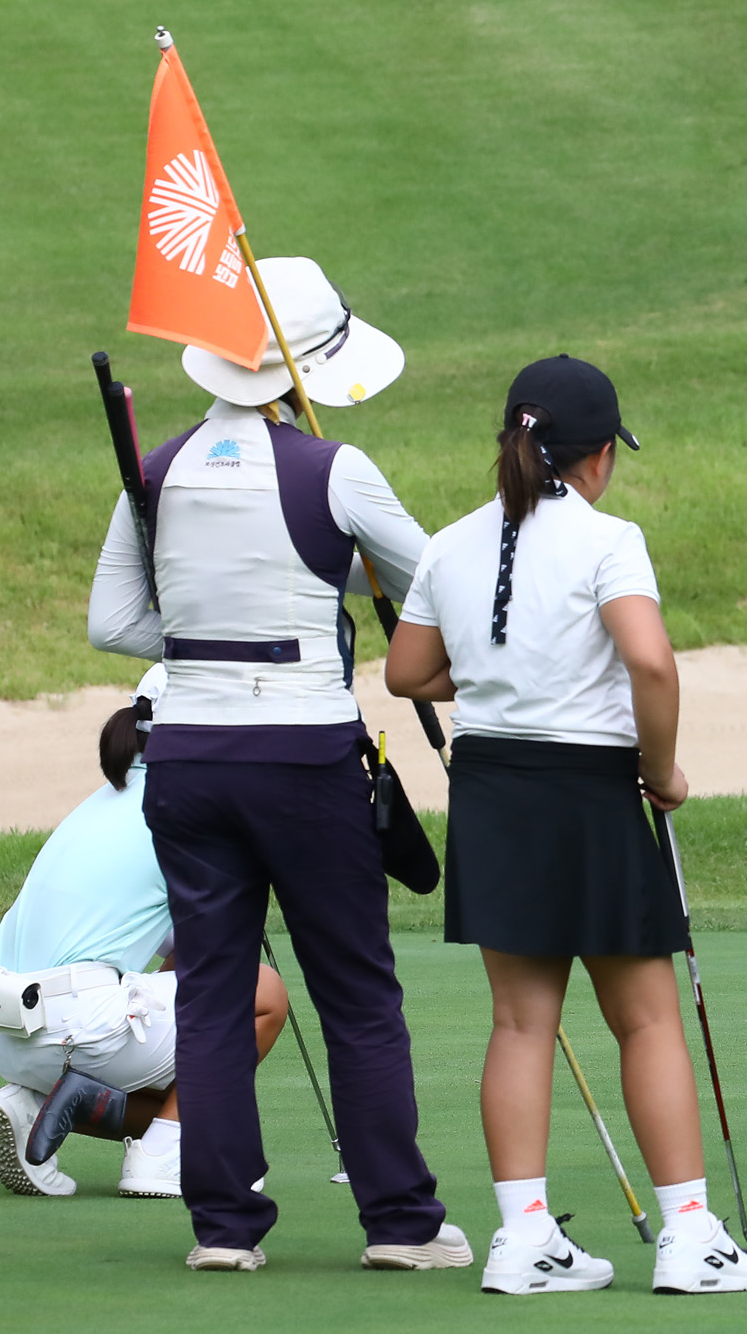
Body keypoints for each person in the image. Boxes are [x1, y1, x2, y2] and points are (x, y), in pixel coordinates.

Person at [88, 257, 467, 1272]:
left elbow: (114, 621)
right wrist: (312, 590)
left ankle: (222, 1229)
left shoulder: (157, 469)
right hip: (305, 759)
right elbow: (433, 582)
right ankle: (400, 1222)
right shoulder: (334, 468)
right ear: (298, 371)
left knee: (211, 991)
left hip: (190, 763)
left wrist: (211, 626)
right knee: (355, 990)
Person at [385, 354, 747, 1296]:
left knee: (520, 1022)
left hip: (489, 788)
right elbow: (652, 664)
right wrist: (660, 769)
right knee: (644, 1018)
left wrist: (489, 680)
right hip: (590, 791)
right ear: (596, 457)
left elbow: (407, 672)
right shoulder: (609, 539)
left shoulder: (449, 543)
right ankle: (687, 1234)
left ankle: (524, 1237)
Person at [0, 664, 290, 1199]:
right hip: (74, 1029)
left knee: (192, 1022)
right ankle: (165, 1151)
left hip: (5, 1029)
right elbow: (220, 958)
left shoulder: (102, 799)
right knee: (262, 996)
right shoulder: (190, 814)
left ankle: (32, 1104)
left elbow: (185, 961)